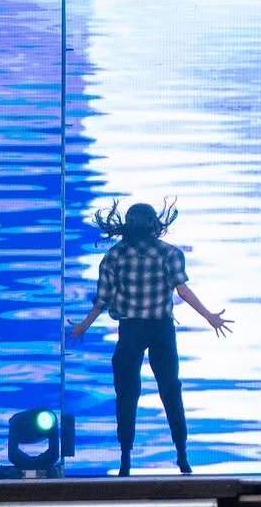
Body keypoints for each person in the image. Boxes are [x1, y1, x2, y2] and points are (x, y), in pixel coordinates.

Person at [69, 200, 232, 474]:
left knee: (127, 394)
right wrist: (209, 316)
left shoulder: (114, 256)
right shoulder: (169, 253)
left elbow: (103, 300)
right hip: (161, 330)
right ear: (155, 224)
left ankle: (125, 459)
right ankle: (182, 456)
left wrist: (83, 325)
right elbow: (182, 291)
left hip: (130, 330)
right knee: (170, 390)